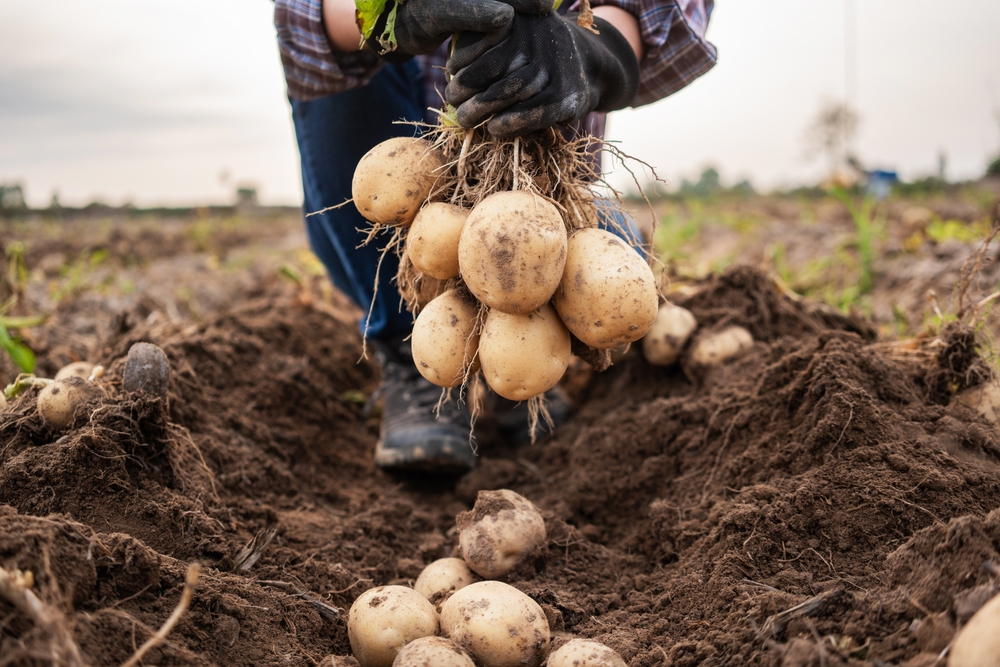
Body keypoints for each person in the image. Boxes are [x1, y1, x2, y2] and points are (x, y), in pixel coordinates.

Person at [274, 0, 716, 472]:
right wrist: (390, 18)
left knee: (586, 266)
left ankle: (524, 360)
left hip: (552, 188)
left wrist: (591, 50)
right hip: (422, 151)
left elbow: (662, 13)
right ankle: (407, 346)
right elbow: (302, 15)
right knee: (458, 252)